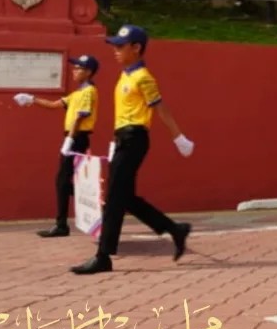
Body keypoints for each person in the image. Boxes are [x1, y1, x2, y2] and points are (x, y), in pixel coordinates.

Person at [70, 25, 193, 275]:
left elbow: (160, 108)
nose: (115, 51)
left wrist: (178, 137)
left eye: (120, 46)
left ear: (136, 48)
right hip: (123, 139)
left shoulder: (143, 77)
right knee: (124, 197)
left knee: (115, 199)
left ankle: (103, 256)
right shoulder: (125, 75)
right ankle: (174, 229)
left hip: (135, 138)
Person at [14, 53, 100, 238]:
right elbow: (54, 104)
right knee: (64, 181)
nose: (74, 71)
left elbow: (80, 116)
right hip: (73, 137)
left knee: (63, 180)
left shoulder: (89, 92)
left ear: (89, 72)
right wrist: (32, 99)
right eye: (75, 67)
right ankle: (94, 205)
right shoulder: (77, 93)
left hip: (77, 137)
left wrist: (69, 140)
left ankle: (63, 223)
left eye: (78, 68)